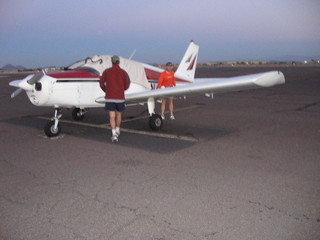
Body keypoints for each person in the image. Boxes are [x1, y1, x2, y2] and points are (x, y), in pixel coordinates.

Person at [100, 56, 130, 142]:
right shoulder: (123, 72)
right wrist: (121, 90)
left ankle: (114, 134)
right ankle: (118, 129)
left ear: (112, 62)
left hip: (110, 97)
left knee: (112, 116)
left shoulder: (106, 71)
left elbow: (101, 83)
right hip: (120, 97)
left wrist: (106, 90)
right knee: (119, 114)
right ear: (119, 62)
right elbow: (127, 84)